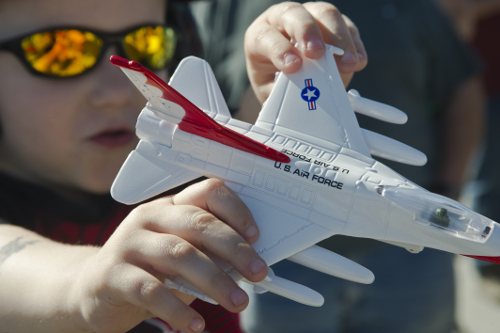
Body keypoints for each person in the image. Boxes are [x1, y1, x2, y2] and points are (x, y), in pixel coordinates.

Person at [0, 1, 367, 332]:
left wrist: (276, 99)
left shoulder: (187, 192)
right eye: (60, 51)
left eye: (147, 43)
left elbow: (251, 167)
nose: (117, 92)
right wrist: (84, 285)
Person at [192, 0, 484, 332]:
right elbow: (219, 111)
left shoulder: (414, 7)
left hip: (409, 255)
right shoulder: (224, 7)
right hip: (286, 258)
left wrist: (448, 190)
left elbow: (462, 89)